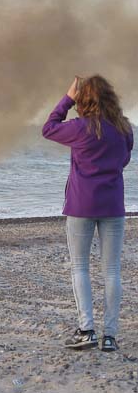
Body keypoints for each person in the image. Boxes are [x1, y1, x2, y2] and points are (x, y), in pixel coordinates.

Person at [42, 75, 134, 352]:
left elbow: (48, 128)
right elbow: (124, 160)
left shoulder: (81, 128)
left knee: (80, 266)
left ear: (84, 100)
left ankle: (87, 330)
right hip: (113, 205)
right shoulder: (124, 129)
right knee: (112, 270)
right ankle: (110, 335)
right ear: (110, 97)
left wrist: (67, 98)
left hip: (81, 205)